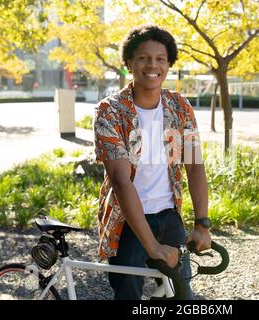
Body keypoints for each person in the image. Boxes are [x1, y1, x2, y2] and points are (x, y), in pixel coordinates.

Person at [93, 24, 212, 300]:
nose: (152, 65)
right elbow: (121, 181)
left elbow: (194, 165)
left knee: (182, 297)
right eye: (144, 58)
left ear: (169, 64)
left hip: (169, 217)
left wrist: (202, 224)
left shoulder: (179, 106)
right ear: (129, 63)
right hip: (129, 223)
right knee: (129, 295)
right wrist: (152, 246)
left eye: (160, 59)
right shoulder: (110, 111)